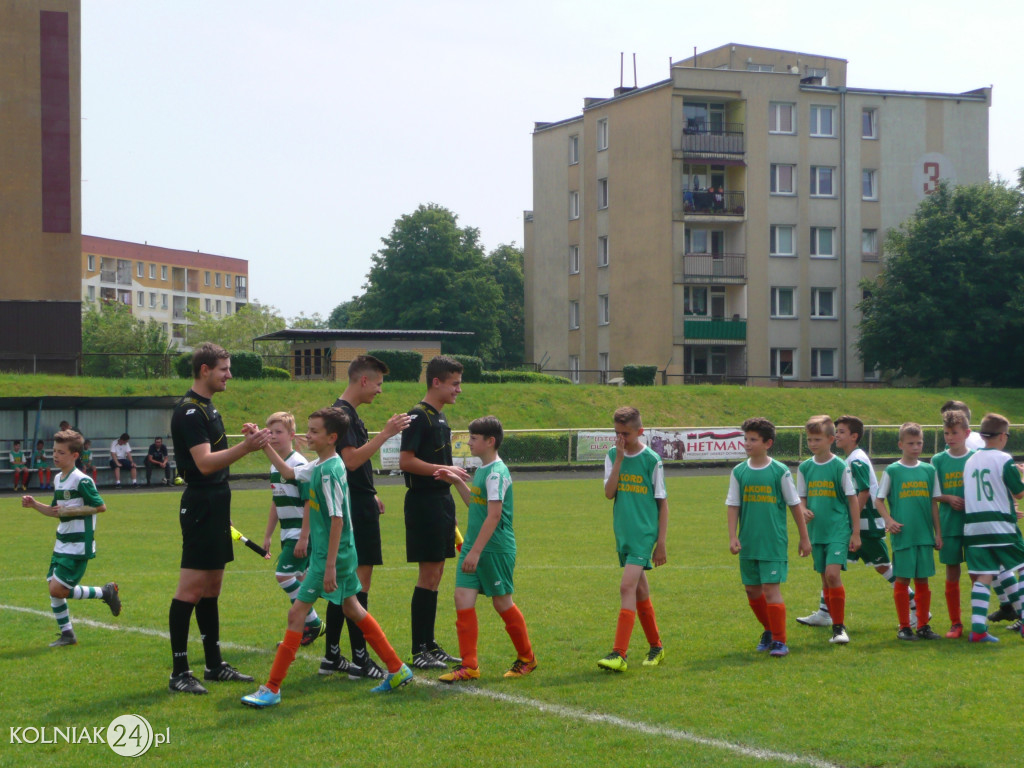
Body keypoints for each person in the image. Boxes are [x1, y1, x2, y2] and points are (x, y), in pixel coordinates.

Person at [244, 407, 413, 707]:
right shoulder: (320, 466)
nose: (307, 435)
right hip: (333, 555)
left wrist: (330, 566)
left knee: (297, 614)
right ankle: (397, 668)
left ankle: (272, 688)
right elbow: (288, 473)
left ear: (332, 437)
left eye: (314, 431)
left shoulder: (331, 471)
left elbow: (337, 520)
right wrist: (263, 442)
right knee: (353, 609)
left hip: (331, 557)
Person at [167, 342, 270, 695]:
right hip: (201, 503)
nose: (230, 375)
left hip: (216, 501)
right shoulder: (190, 411)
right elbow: (204, 463)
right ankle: (180, 671)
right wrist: (247, 447)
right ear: (205, 370)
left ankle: (213, 665)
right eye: (224, 369)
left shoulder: (208, 407)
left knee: (211, 589)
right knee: (190, 590)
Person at [322, 355, 411, 680]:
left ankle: (332, 656)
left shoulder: (345, 413)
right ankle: (361, 660)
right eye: (378, 383)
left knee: (344, 585)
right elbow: (350, 460)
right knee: (357, 586)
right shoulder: (343, 416)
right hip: (354, 509)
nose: (380, 390)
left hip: (358, 502)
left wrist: (370, 492)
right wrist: (386, 433)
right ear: (363, 380)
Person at [433, 416, 537, 681]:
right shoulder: (482, 470)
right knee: (462, 598)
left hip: (494, 549)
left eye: (473, 438)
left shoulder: (496, 473)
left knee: (502, 603)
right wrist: (457, 482)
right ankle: (469, 666)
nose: (469, 442)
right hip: (474, 546)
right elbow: (476, 504)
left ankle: (527, 658)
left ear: (490, 441)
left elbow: (494, 515)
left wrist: (476, 551)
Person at [798, 415, 923, 628]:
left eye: (842, 432)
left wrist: (851, 524)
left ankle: (916, 608)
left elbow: (863, 491)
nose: (837, 435)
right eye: (836, 431)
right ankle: (825, 612)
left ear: (854, 436)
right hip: (854, 525)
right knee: (830, 568)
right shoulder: (851, 458)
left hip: (865, 525)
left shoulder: (856, 460)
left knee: (882, 567)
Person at [399, 355, 469, 670]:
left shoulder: (440, 418)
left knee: (437, 573)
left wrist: (449, 506)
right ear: (436, 382)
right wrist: (446, 470)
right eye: (454, 384)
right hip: (423, 503)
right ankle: (419, 650)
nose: (458, 390)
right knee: (428, 574)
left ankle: (430, 644)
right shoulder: (419, 416)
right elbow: (406, 461)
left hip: (440, 502)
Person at [21, 429, 121, 647]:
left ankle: (104, 593)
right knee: (54, 588)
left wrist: (71, 511)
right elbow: (56, 511)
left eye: (61, 452)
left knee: (56, 589)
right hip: (62, 541)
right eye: (54, 451)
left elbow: (100, 506)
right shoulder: (58, 479)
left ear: (75, 455)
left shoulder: (81, 480)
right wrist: (34, 505)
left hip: (78, 544)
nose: (55, 456)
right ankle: (68, 634)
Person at [726, 417, 810, 658]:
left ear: (768, 443)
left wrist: (804, 538)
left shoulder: (779, 471)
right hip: (749, 542)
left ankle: (780, 641)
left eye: (753, 439)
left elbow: (794, 505)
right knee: (752, 591)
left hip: (773, 542)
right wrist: (732, 536)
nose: (747, 443)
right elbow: (733, 505)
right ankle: (769, 630)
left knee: (770, 590)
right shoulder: (739, 471)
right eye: (746, 439)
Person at [596, 407, 668, 672]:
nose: (621, 439)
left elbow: (662, 503)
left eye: (625, 434)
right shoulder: (613, 455)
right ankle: (656, 647)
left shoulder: (651, 460)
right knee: (640, 591)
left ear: (640, 431)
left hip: (643, 534)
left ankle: (619, 654)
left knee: (626, 587)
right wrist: (618, 460)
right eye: (617, 433)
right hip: (623, 533)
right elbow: (609, 493)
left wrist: (661, 543)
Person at [259, 412, 323, 647]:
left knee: (283, 575)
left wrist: (304, 537)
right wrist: (267, 535)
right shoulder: (274, 464)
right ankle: (307, 627)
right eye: (271, 432)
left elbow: (309, 502)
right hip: (287, 533)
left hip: (300, 532)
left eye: (279, 432)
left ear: (292, 435)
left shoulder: (298, 464)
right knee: (300, 579)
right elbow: (276, 501)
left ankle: (313, 623)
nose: (274, 436)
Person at [875, 422, 943, 641]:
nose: (915, 447)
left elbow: (933, 503)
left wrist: (938, 533)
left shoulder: (929, 470)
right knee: (903, 580)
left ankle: (923, 625)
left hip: (924, 535)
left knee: (923, 581)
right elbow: (878, 500)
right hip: (903, 534)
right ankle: (904, 627)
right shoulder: (893, 470)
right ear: (901, 445)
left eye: (919, 443)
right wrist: (889, 520)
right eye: (911, 443)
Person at [796, 416, 859, 645]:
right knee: (825, 579)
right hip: (817, 531)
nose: (812, 443)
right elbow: (800, 498)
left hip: (838, 529)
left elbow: (852, 500)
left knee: (833, 575)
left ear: (831, 440)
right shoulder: (805, 467)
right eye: (810, 439)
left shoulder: (840, 466)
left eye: (817, 439)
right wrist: (803, 509)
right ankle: (830, 619)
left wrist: (855, 532)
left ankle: (839, 629)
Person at [961, 412, 1024, 643]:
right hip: (1000, 525)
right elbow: (1019, 493)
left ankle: (978, 629)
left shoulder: (970, 461)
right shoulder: (1004, 458)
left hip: (973, 528)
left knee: (984, 576)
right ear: (1003, 436)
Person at [929, 409, 975, 638]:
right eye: (946, 433)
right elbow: (932, 494)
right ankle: (955, 623)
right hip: (949, 525)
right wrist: (947, 498)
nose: (950, 437)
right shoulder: (938, 460)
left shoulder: (975, 458)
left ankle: (978, 622)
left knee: (977, 573)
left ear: (966, 433)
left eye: (954, 432)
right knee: (952, 573)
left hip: (974, 525)